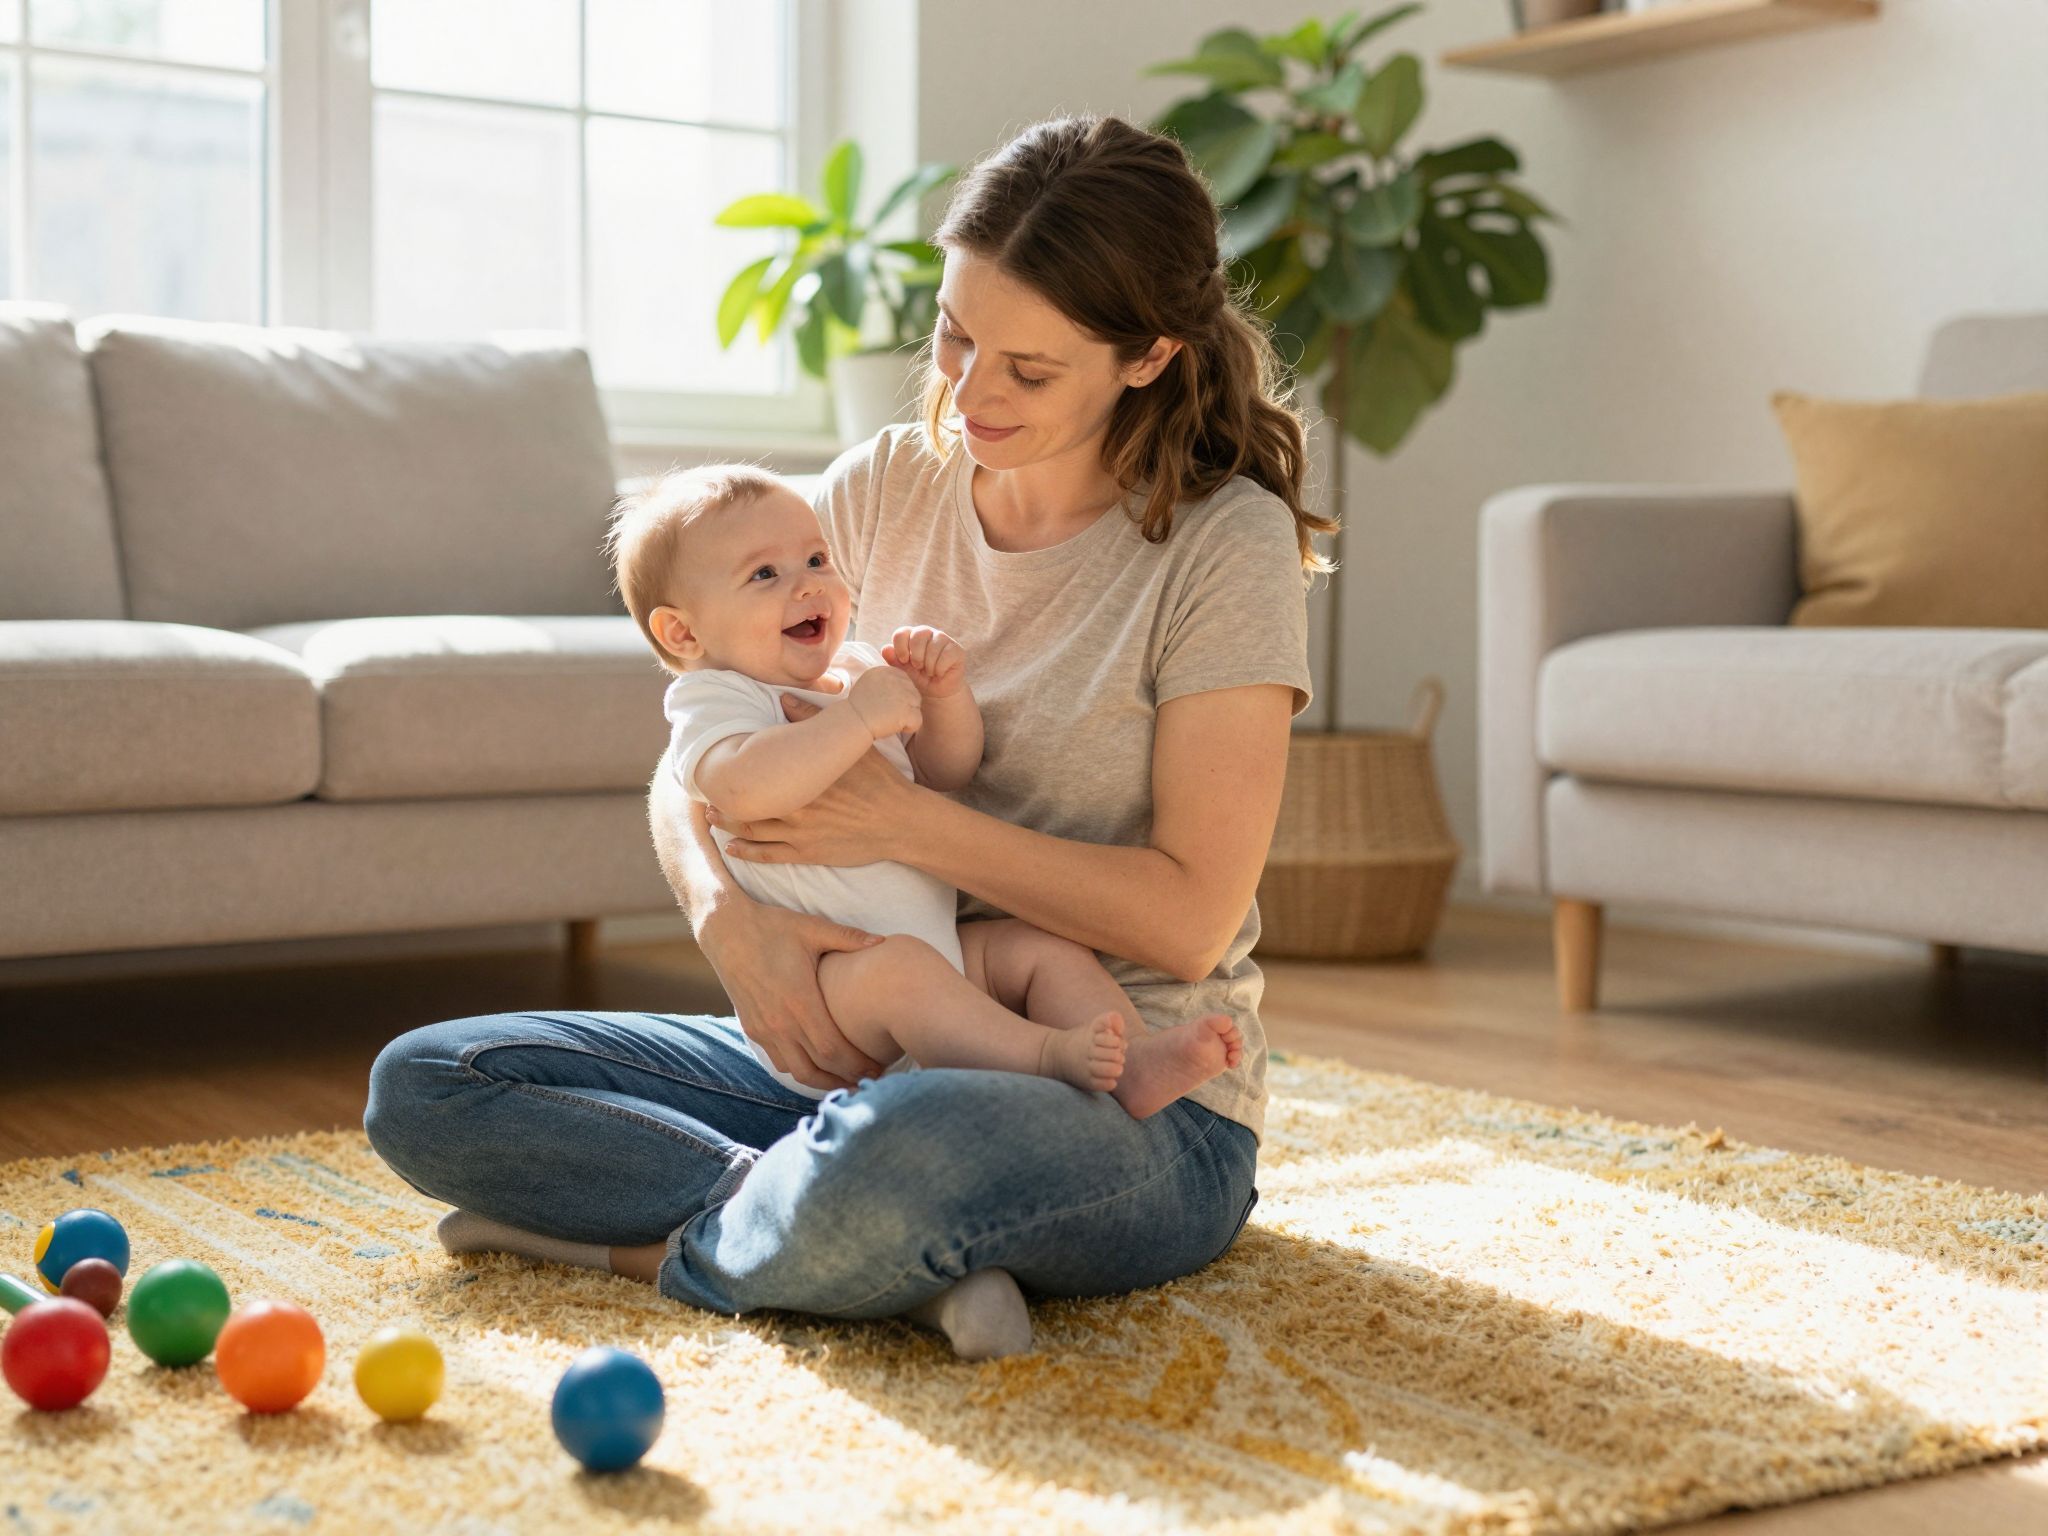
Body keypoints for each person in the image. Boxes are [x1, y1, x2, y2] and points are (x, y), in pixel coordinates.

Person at [362, 112, 1332, 1362]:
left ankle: (661, 1244)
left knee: (904, 1153)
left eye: (1024, 371)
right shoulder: (886, 483)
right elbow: (698, 744)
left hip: (1118, 1094)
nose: (969, 393)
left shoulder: (1221, 545)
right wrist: (730, 922)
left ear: (1144, 357)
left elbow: (1189, 918)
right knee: (434, 1084)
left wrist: (905, 824)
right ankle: (845, 1239)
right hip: (863, 1037)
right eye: (953, 333)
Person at [610, 460, 1245, 1114]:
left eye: (817, 559)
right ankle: (1046, 1057)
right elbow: (741, 788)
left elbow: (947, 773)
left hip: (945, 960)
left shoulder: (857, 669)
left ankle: (1133, 1062)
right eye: (765, 574)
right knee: (904, 973)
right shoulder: (714, 698)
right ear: (682, 632)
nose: (808, 586)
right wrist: (855, 722)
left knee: (1037, 951)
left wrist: (943, 699)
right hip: (838, 990)